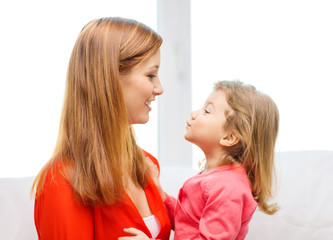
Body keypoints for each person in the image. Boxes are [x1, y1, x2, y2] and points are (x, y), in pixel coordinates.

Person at [31, 17, 171, 240]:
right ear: (110, 78)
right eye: (151, 75)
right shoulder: (63, 180)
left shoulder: (146, 166)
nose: (159, 88)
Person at [127, 80, 280, 240]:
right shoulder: (217, 179)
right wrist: (158, 192)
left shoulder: (228, 187)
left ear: (230, 137)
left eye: (207, 111)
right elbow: (186, 222)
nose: (194, 113)